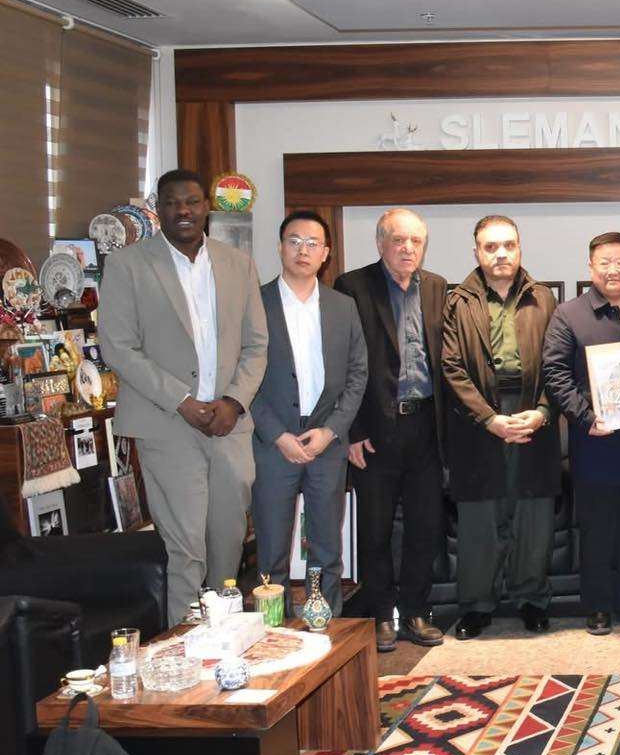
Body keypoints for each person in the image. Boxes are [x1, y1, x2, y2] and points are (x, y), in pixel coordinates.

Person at [98, 168, 268, 624]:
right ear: (159, 209)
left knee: (228, 549)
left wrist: (233, 402)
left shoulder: (238, 264)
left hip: (229, 426)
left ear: (206, 207)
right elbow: (118, 347)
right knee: (186, 550)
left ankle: (224, 642)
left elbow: (256, 345)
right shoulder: (128, 265)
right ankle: (184, 650)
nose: (183, 211)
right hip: (167, 424)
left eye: (192, 201)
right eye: (172, 203)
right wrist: (182, 400)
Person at [542, 231, 620, 635]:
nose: (612, 270)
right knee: (596, 528)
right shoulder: (569, 315)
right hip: (594, 441)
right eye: (604, 262)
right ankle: (597, 606)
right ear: (591, 267)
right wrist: (585, 417)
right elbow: (555, 374)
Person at [334, 208, 447, 652]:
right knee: (375, 528)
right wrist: (351, 429)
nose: (407, 248)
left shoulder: (436, 286)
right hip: (374, 428)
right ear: (381, 243)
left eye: (416, 241)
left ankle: (416, 611)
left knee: (425, 525)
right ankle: (381, 614)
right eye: (398, 240)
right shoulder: (352, 287)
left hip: (426, 425)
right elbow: (342, 362)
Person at [443, 215, 559, 639]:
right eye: (490, 247)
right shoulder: (458, 302)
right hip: (479, 420)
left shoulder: (542, 298)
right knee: (480, 519)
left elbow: (558, 363)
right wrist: (489, 418)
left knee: (533, 516)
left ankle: (532, 601)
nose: (501, 254)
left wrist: (543, 411)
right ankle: (477, 606)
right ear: (477, 252)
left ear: (520, 248)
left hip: (532, 417)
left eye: (508, 245)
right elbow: (452, 368)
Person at [250, 210, 368, 617]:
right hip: (272, 444)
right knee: (271, 552)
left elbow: (358, 374)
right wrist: (276, 435)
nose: (303, 250)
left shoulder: (343, 307)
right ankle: (274, 632)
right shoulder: (254, 303)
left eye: (312, 243)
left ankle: (327, 627)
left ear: (325, 253)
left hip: (326, 444)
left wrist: (332, 431)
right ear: (280, 247)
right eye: (294, 241)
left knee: (327, 549)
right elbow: (241, 377)